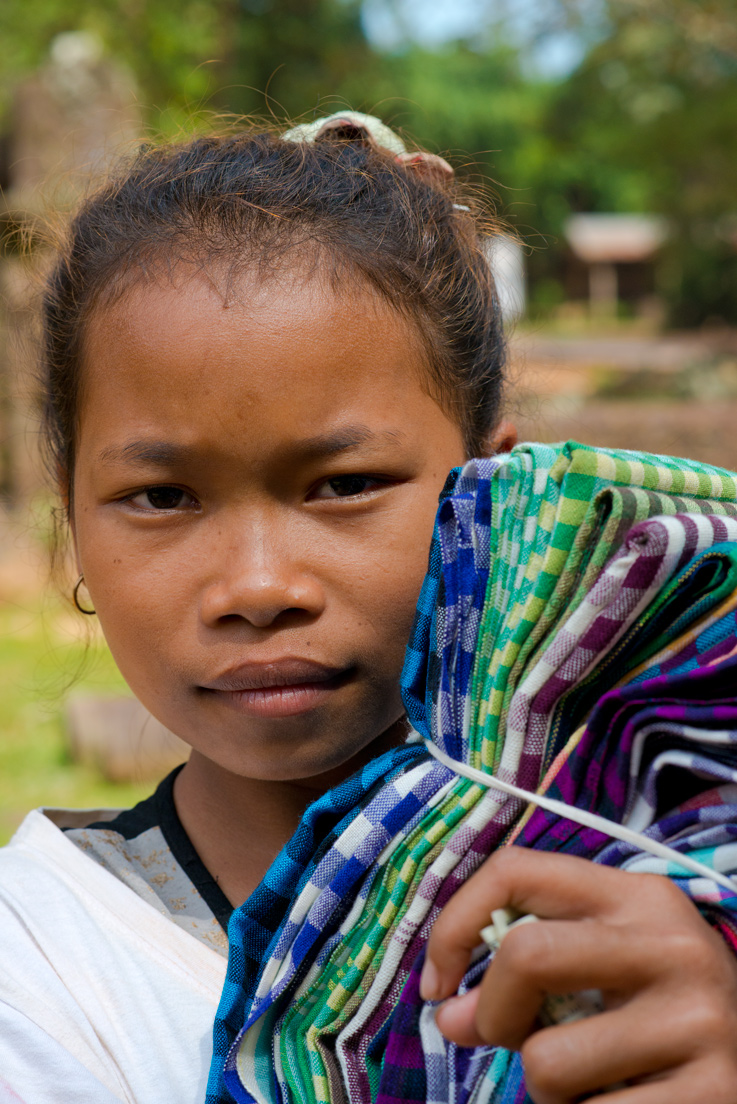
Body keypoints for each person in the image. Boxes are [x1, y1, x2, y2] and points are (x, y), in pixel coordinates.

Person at [1, 112, 736, 1104]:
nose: (259, 588)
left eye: (343, 485)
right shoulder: (43, 971)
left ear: (491, 491)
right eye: (162, 498)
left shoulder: (672, 859)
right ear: (73, 519)